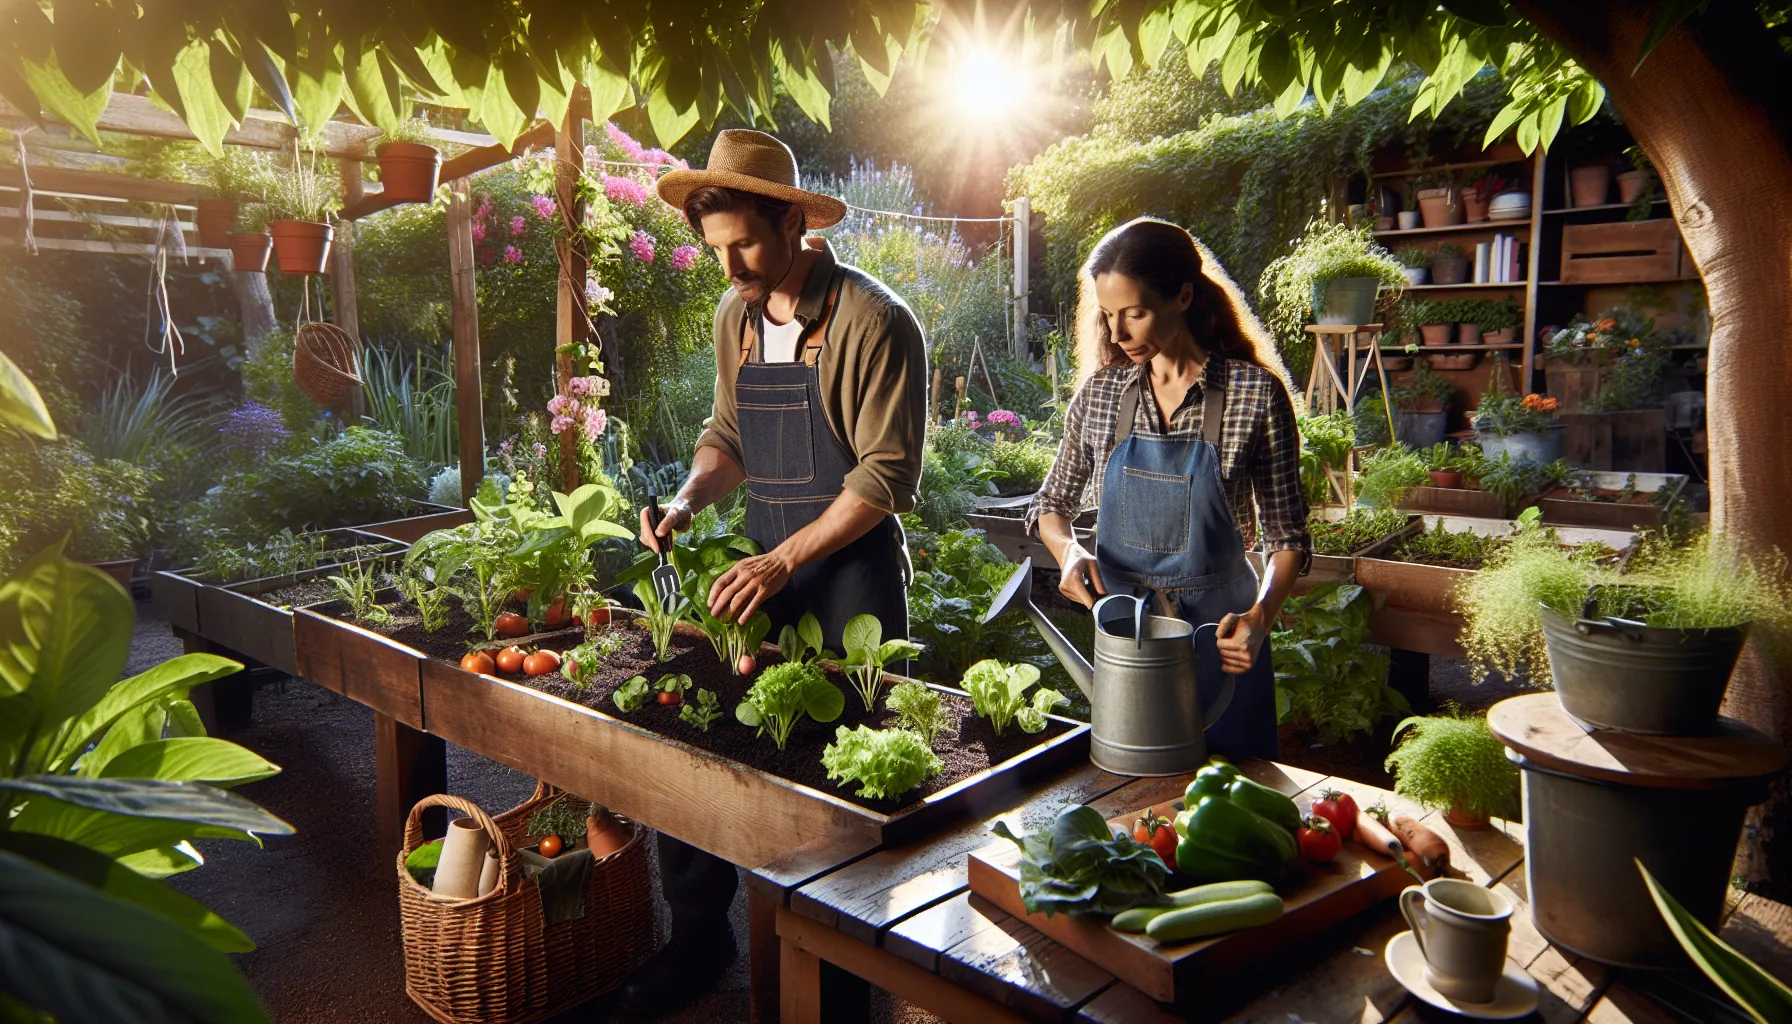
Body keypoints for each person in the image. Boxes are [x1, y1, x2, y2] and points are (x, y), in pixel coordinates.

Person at [618, 129, 927, 1015]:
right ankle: (699, 941)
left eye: (745, 243)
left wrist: (785, 558)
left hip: (852, 580)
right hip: (764, 571)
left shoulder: (875, 322)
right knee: (708, 739)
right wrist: (682, 503)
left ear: (793, 220)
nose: (730, 269)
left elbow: (883, 479)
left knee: (842, 781)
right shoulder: (736, 318)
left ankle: (841, 981)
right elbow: (727, 440)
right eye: (717, 251)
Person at [1028, 217, 1310, 761]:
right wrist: (1067, 552)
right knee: (1130, 802)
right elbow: (1051, 504)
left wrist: (1261, 617)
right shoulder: (1102, 397)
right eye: (1108, 316)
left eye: (1134, 313)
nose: (1117, 335)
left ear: (1183, 295)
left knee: (1235, 799)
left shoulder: (1255, 395)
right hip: (1128, 636)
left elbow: (1287, 536)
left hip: (1222, 635)